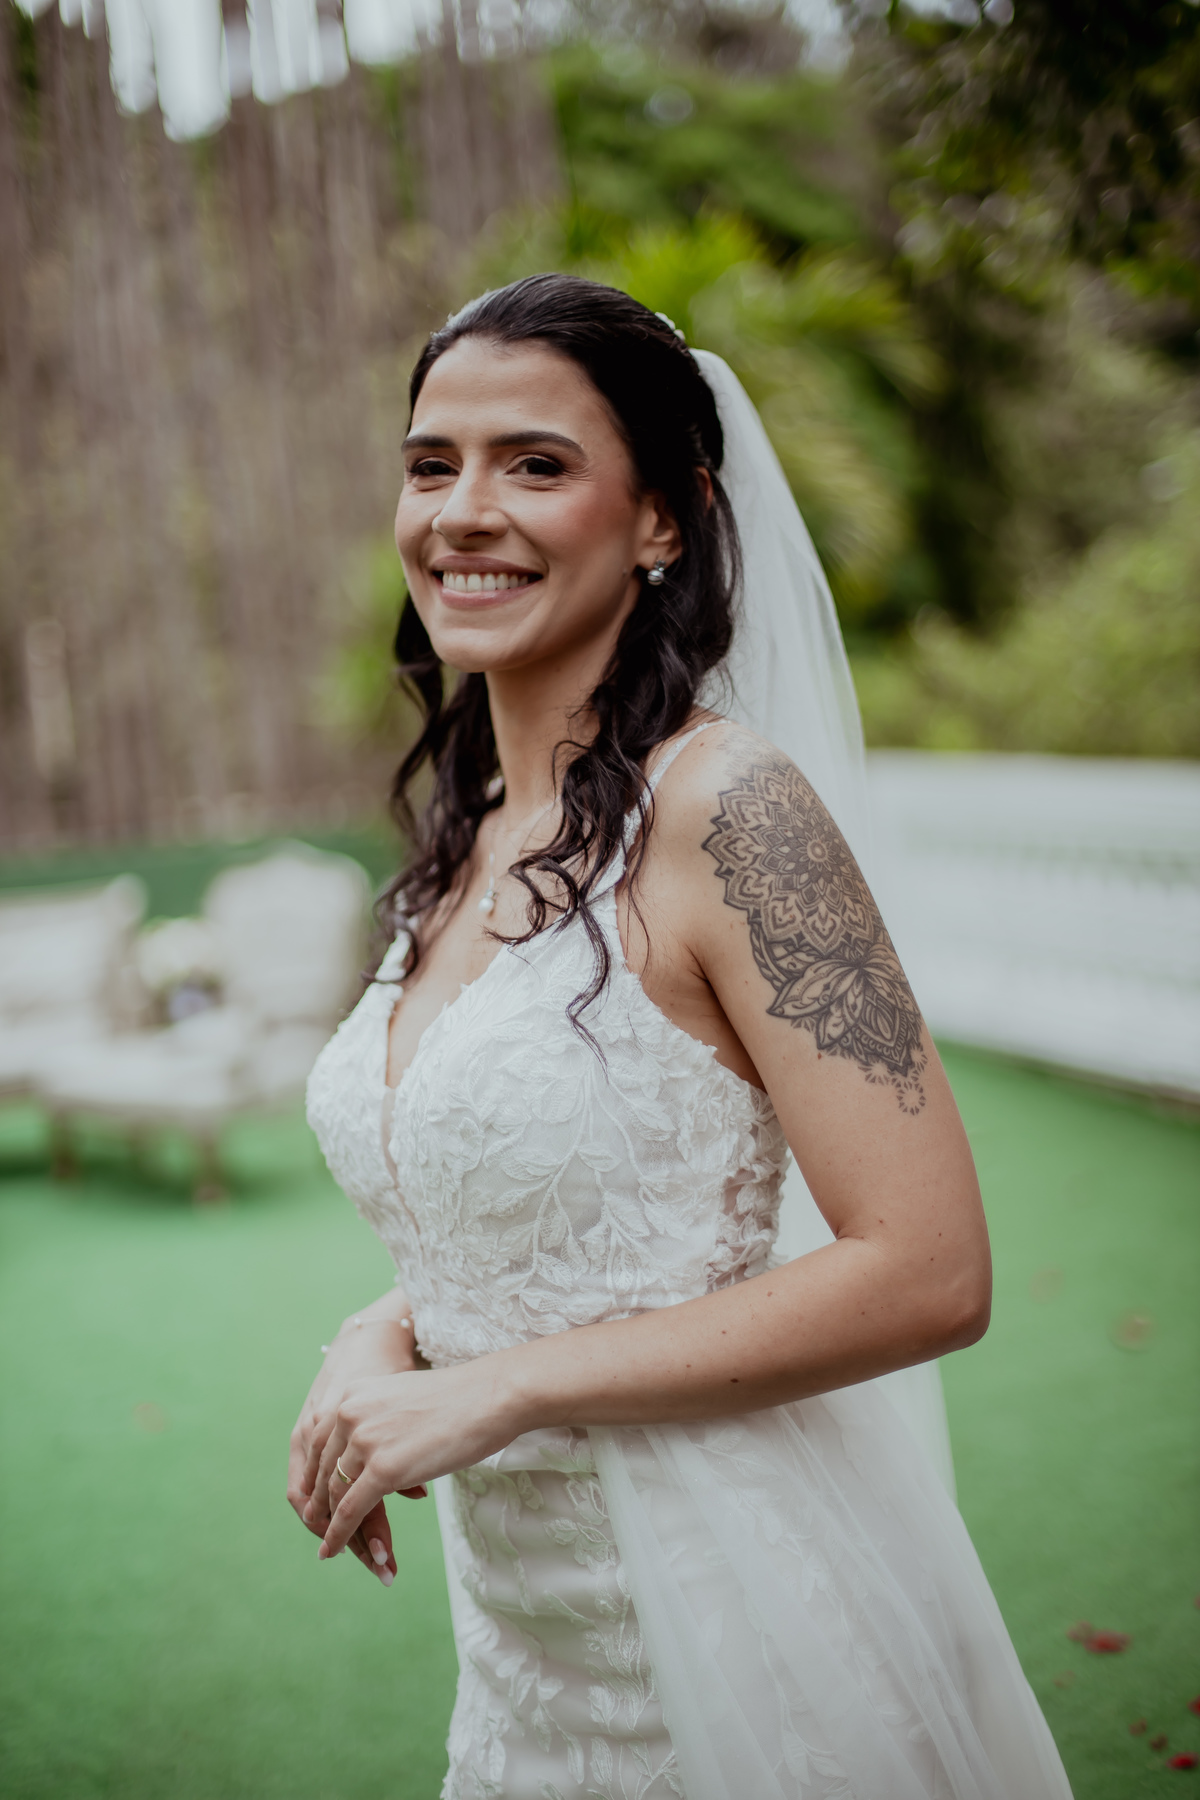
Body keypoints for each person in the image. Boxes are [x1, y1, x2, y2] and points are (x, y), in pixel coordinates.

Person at [295, 274, 1073, 1800]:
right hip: (526, 1661)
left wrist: (500, 1388)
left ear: (664, 518)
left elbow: (930, 1267)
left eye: (536, 464)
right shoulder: (468, 835)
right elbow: (543, 1221)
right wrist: (381, 1331)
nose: (462, 511)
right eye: (431, 463)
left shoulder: (731, 811)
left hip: (738, 1623)